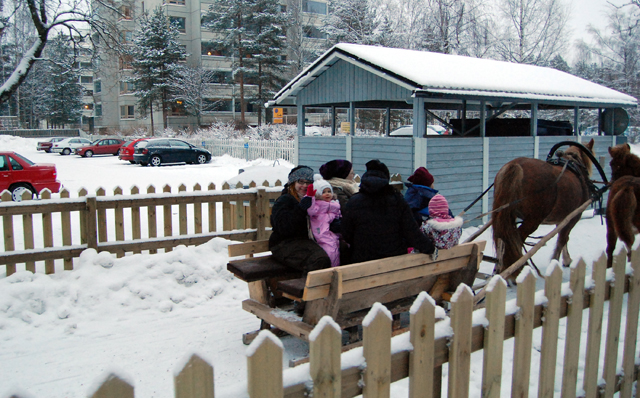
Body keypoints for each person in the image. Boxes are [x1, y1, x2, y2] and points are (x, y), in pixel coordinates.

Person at [342, 159, 437, 264]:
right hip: (394, 260)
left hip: (362, 260)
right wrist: (430, 248)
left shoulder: (353, 202)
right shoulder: (397, 201)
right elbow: (411, 231)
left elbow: (347, 233)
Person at [268, 165, 331, 273]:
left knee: (340, 250)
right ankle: (305, 289)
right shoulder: (285, 200)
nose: (305, 186)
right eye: (301, 182)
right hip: (284, 244)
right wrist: (301, 208)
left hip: (307, 241)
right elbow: (283, 228)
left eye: (308, 182)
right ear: (293, 183)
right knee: (319, 259)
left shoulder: (315, 200)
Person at [306, 174, 342, 267]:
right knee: (330, 249)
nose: (327, 194)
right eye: (324, 192)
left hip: (331, 231)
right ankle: (332, 269)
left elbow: (338, 214)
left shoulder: (334, 204)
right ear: (318, 194)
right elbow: (311, 210)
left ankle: (336, 268)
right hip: (320, 231)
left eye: (329, 191)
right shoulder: (317, 205)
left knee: (336, 246)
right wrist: (311, 196)